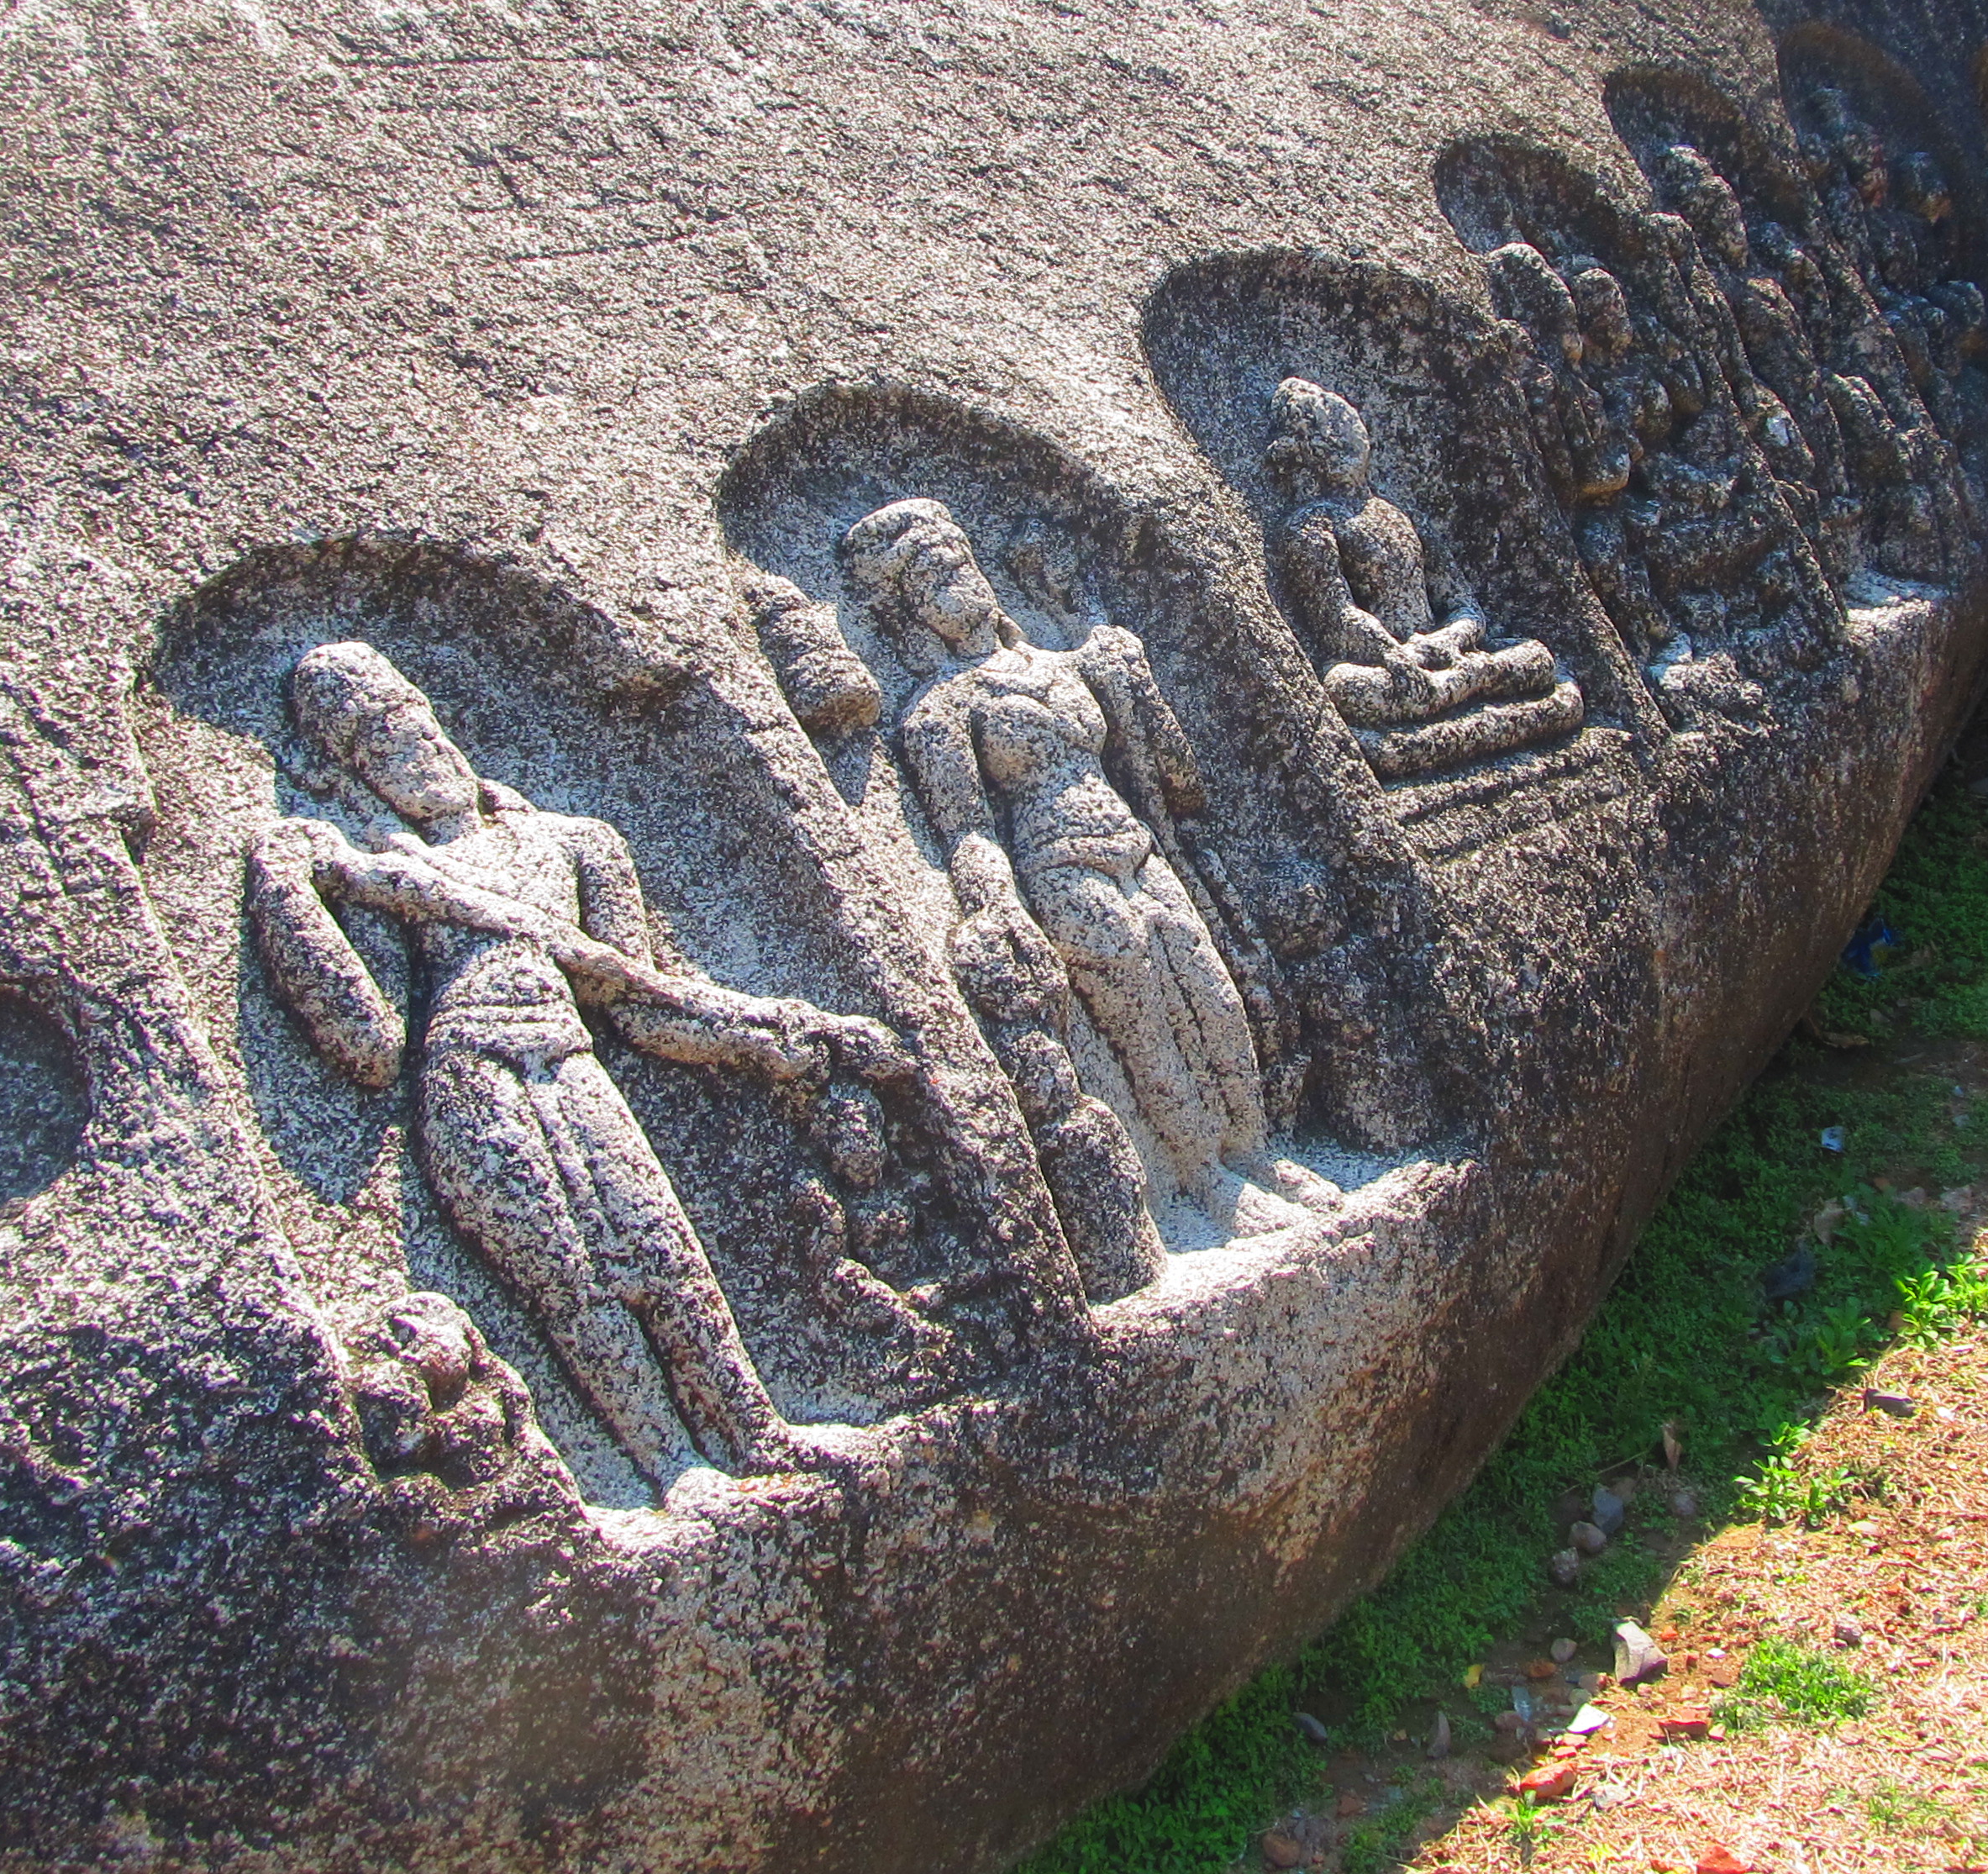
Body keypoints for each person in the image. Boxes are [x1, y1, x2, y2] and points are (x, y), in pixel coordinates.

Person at [245, 640, 910, 1487]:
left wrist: (749, 1037)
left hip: (569, 1054)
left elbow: (637, 1000)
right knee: (572, 1284)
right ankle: (668, 1467)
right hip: (470, 1074)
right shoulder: (384, 874)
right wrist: (290, 893)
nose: (410, 754)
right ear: (354, 774)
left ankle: (756, 1432)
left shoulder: (569, 842)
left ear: (434, 714)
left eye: (408, 725)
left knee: (664, 1254)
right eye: (374, 749)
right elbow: (371, 1046)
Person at [838, 499, 1337, 1238]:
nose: (960, 583)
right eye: (933, 580)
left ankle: (1257, 1150)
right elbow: (970, 832)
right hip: (1060, 861)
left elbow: (1146, 748)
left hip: (1135, 844)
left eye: (961, 563)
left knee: (1212, 993)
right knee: (1145, 1018)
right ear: (914, 612)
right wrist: (997, 907)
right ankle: (1203, 1178)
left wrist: (1112, 655)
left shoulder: (1057, 661)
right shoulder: (939, 711)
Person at [1259, 376, 1582, 776]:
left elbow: (1463, 605)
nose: (1340, 444)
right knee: (1349, 689)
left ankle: (1462, 684)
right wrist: (1396, 654)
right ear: (1303, 452)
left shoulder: (1400, 517)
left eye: (1345, 430)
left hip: (1450, 655)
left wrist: (1449, 640)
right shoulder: (1312, 524)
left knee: (1534, 655)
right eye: (1323, 437)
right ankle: (1460, 689)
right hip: (1389, 664)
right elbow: (1337, 617)